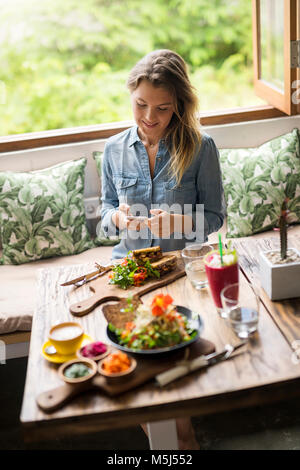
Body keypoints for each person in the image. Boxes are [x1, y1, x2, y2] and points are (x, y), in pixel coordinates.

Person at [100, 49, 225, 450]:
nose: (149, 117)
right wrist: (116, 219)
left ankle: (180, 441)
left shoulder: (201, 147)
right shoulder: (112, 150)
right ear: (131, 97)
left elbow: (216, 217)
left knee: (171, 359)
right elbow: (102, 217)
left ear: (179, 106)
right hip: (129, 273)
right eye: (140, 105)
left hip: (179, 271)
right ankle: (174, 442)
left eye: (162, 108)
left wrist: (182, 221)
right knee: (135, 366)